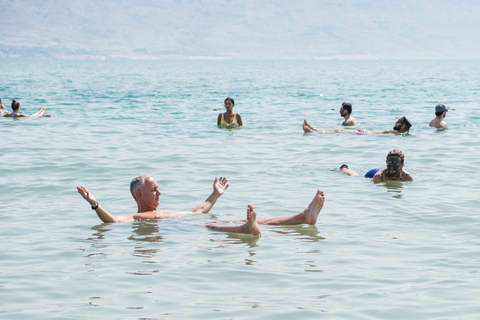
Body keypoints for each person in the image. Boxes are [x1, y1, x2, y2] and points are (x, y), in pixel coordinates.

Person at [77, 175, 326, 236]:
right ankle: (245, 229)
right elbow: (112, 221)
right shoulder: (137, 216)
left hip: (189, 222)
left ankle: (304, 216)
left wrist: (214, 194)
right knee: (213, 225)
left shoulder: (164, 211)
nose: (160, 192)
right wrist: (95, 204)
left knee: (252, 221)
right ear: (140, 194)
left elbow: (198, 209)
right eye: (154, 190)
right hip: (185, 231)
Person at [339, 149, 413, 183]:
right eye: (389, 164)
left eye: (395, 164)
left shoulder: (407, 177)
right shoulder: (379, 177)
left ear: (402, 165)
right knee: (356, 176)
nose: (392, 168)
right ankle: (344, 169)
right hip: (372, 173)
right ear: (386, 163)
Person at [303, 116, 412, 134]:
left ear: (403, 126)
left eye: (399, 122)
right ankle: (314, 129)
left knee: (339, 131)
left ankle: (314, 131)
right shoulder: (396, 133)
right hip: (365, 133)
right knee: (339, 130)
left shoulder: (396, 133)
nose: (396, 123)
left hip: (365, 134)